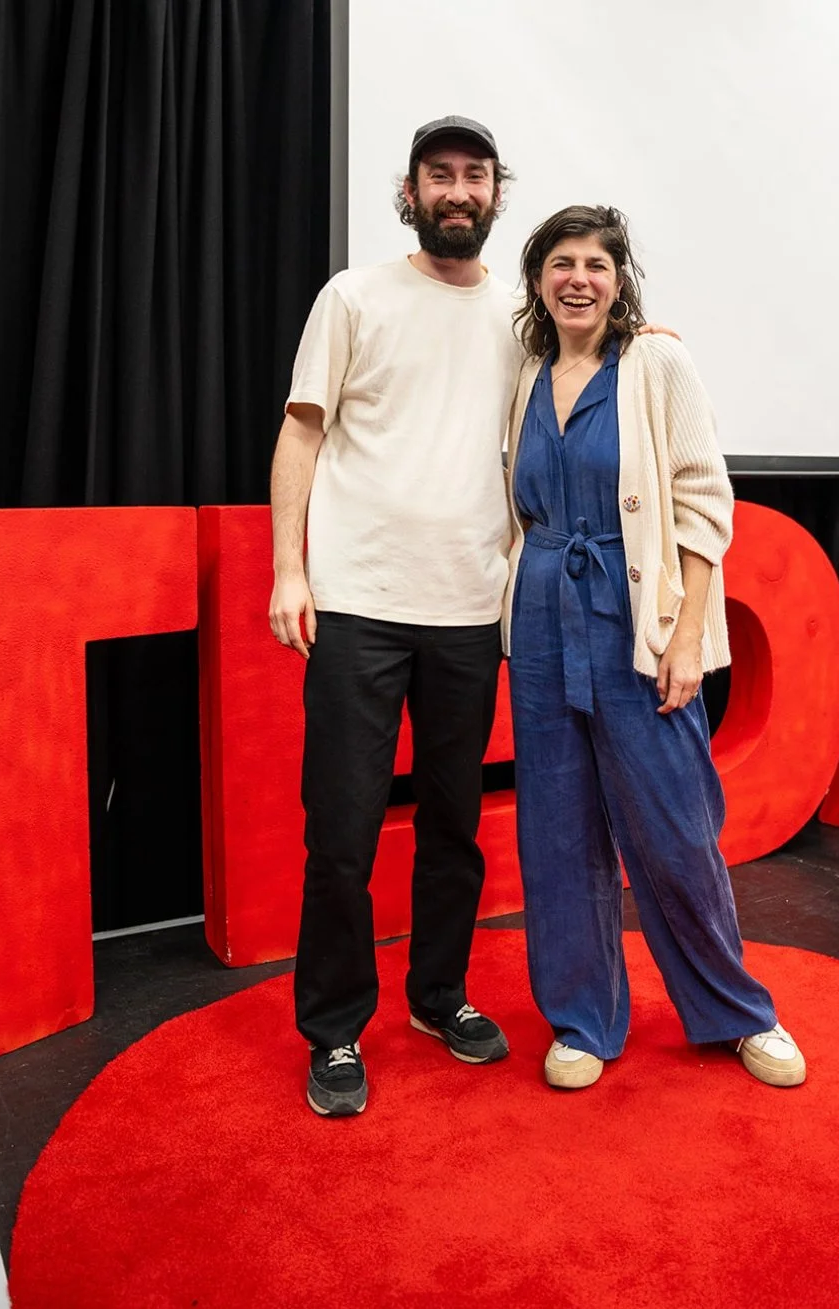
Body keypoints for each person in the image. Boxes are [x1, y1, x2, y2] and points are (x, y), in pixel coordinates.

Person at [501, 204, 806, 1091]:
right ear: (537, 280)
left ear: (620, 280)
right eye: (560, 262)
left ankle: (738, 1011)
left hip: (637, 621)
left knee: (674, 829)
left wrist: (682, 634)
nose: (578, 279)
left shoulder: (657, 363)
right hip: (541, 619)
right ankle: (582, 1020)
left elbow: (705, 502)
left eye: (596, 263)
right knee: (556, 834)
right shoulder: (524, 373)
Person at [268, 116, 520, 1117]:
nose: (457, 190)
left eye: (475, 175)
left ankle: (438, 996)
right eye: (440, 174)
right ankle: (333, 1029)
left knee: (455, 826)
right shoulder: (354, 296)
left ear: (496, 195)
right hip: (358, 602)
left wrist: (649, 337)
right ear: (410, 190)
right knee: (342, 832)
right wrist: (289, 571)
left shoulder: (520, 313)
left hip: (470, 607)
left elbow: (596, 368)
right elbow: (302, 432)